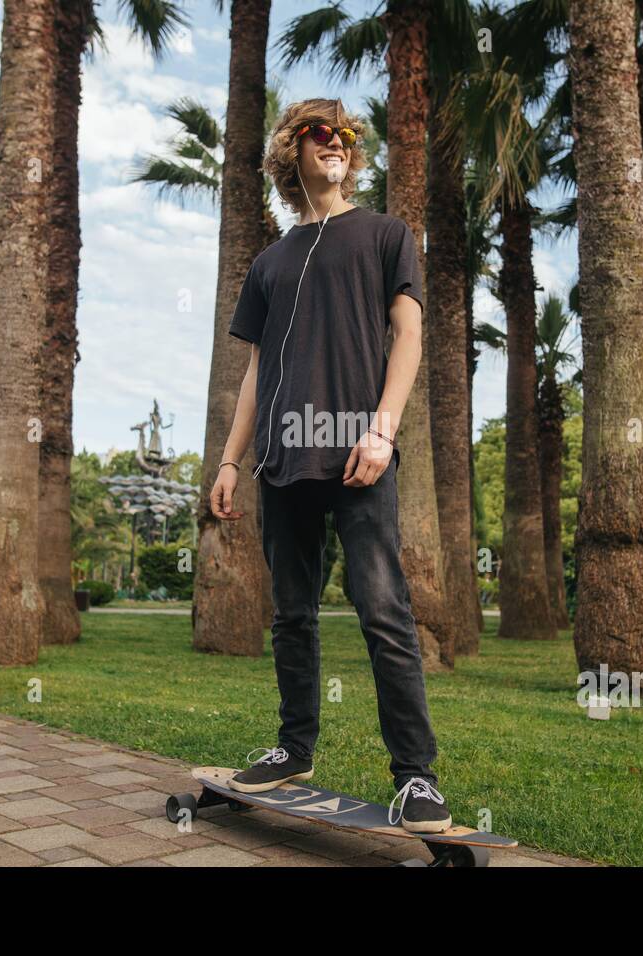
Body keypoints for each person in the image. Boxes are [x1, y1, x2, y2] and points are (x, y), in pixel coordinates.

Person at [208, 98, 450, 833]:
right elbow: (256, 369)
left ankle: (416, 778)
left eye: (346, 135)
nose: (337, 142)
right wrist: (228, 459)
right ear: (292, 153)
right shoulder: (269, 262)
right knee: (291, 616)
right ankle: (293, 748)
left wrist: (383, 428)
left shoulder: (383, 234)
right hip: (281, 462)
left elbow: (408, 334)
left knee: (384, 612)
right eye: (321, 133)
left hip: (357, 455)